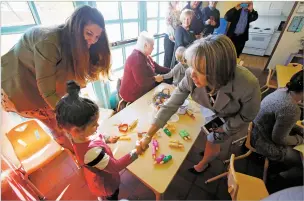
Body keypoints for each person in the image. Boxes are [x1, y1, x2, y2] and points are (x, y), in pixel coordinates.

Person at [136, 35, 261, 174]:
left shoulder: (248, 84)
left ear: (218, 72)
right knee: (209, 133)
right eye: (191, 67)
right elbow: (170, 104)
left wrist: (225, 128)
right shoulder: (191, 74)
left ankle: (204, 163)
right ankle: (209, 147)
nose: (191, 74)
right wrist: (148, 136)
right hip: (211, 108)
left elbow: (247, 115)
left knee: (214, 139)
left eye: (200, 70)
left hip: (229, 117)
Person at [1, 5, 111, 151]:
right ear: (76, 28)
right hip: (18, 86)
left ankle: (80, 150)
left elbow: (71, 81)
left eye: (97, 37)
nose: (92, 40)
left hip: (41, 87)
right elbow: (47, 91)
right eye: (89, 33)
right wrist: (73, 119)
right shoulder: (49, 41)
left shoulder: (77, 44)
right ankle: (78, 155)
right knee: (60, 126)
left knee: (63, 126)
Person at [55, 80, 142, 201]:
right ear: (76, 130)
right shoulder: (91, 153)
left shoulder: (79, 136)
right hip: (106, 184)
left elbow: (97, 136)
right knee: (112, 196)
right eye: (94, 125)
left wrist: (107, 139)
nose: (98, 126)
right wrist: (136, 151)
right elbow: (115, 167)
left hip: (102, 173)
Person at [251, 70, 304, 179]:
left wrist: (300, 129)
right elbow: (278, 139)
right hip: (262, 142)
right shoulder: (292, 109)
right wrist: (300, 139)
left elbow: (282, 119)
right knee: (301, 162)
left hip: (255, 130)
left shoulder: (283, 91)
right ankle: (281, 178)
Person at [119, 31, 170, 103]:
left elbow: (158, 68)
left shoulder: (145, 56)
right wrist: (155, 78)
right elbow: (142, 82)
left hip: (141, 87)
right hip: (132, 94)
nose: (153, 48)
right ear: (145, 45)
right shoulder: (136, 58)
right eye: (152, 46)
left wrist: (172, 70)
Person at [164, 1, 181, 68]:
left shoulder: (179, 11)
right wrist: (172, 35)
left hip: (177, 37)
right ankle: (166, 77)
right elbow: (168, 25)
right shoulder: (168, 11)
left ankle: (172, 75)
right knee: (168, 57)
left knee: (175, 57)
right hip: (170, 36)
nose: (176, 1)